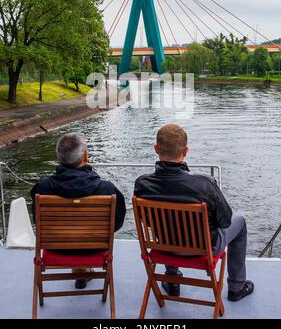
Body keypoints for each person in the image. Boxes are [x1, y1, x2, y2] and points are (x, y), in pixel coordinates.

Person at [134, 123, 254, 302]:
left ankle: (172, 281)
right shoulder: (204, 185)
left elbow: (149, 222)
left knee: (166, 225)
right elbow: (226, 221)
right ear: (186, 151)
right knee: (240, 222)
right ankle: (236, 287)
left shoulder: (142, 185)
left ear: (156, 149)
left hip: (166, 245)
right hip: (203, 248)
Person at [31, 132, 126, 289]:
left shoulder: (42, 189)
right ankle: (82, 269)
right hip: (95, 249)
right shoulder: (108, 190)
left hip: (56, 249)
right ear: (85, 156)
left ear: (59, 157)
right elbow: (117, 224)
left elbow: (37, 222)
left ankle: (79, 270)